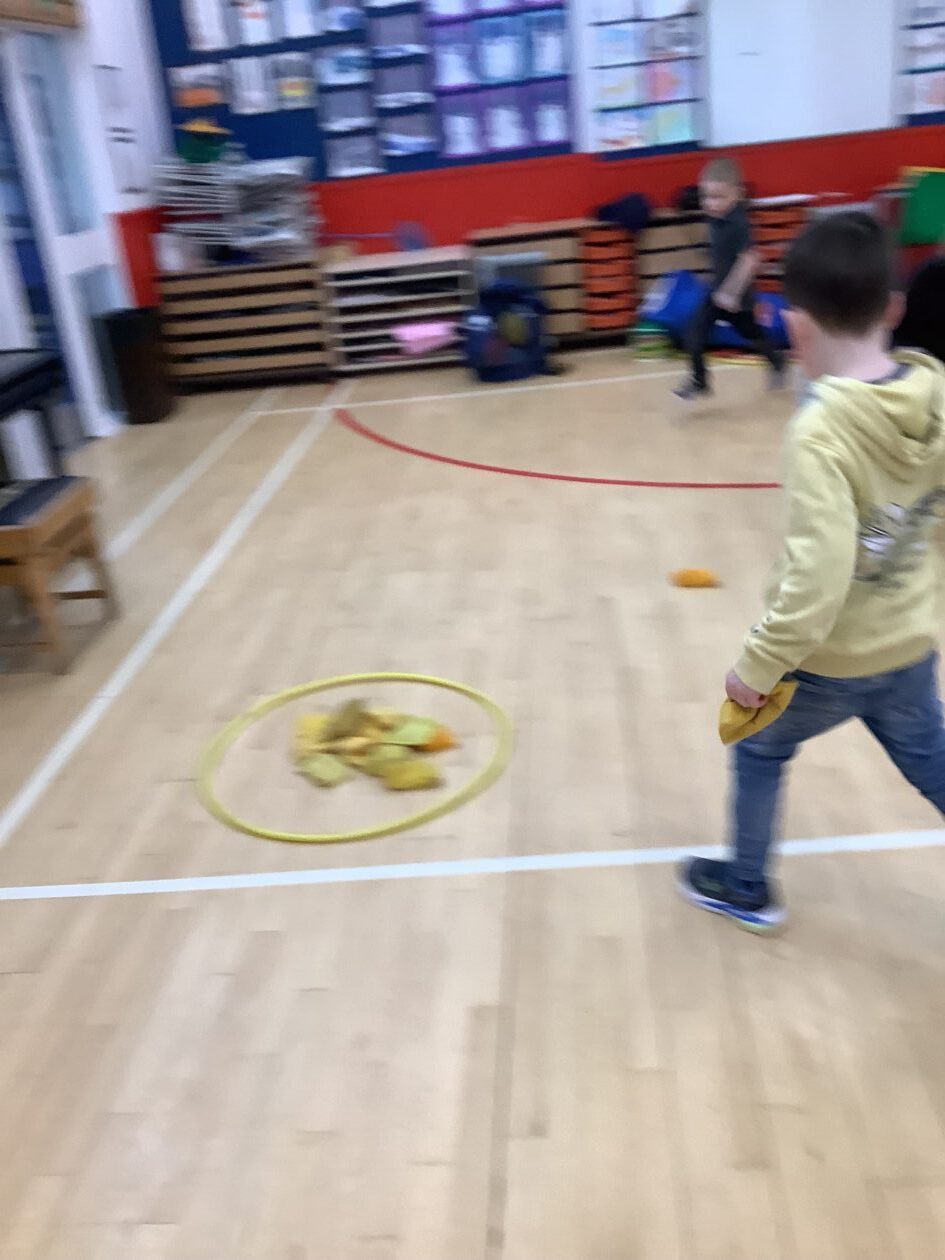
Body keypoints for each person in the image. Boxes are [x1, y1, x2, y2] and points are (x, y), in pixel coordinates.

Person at [678, 211, 945, 932]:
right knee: (933, 763)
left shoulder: (819, 431)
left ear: (793, 327)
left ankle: (747, 886)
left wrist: (757, 666)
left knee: (758, 744)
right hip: (909, 644)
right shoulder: (934, 393)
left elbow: (819, 576)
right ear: (893, 309)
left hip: (830, 660)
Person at [674, 157, 786, 402]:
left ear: (737, 195)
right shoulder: (715, 217)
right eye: (706, 197)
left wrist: (731, 293)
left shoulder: (739, 223)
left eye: (718, 197)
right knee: (693, 332)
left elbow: (750, 259)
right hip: (716, 293)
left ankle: (777, 360)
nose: (711, 203)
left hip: (737, 297)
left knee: (752, 334)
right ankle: (699, 381)